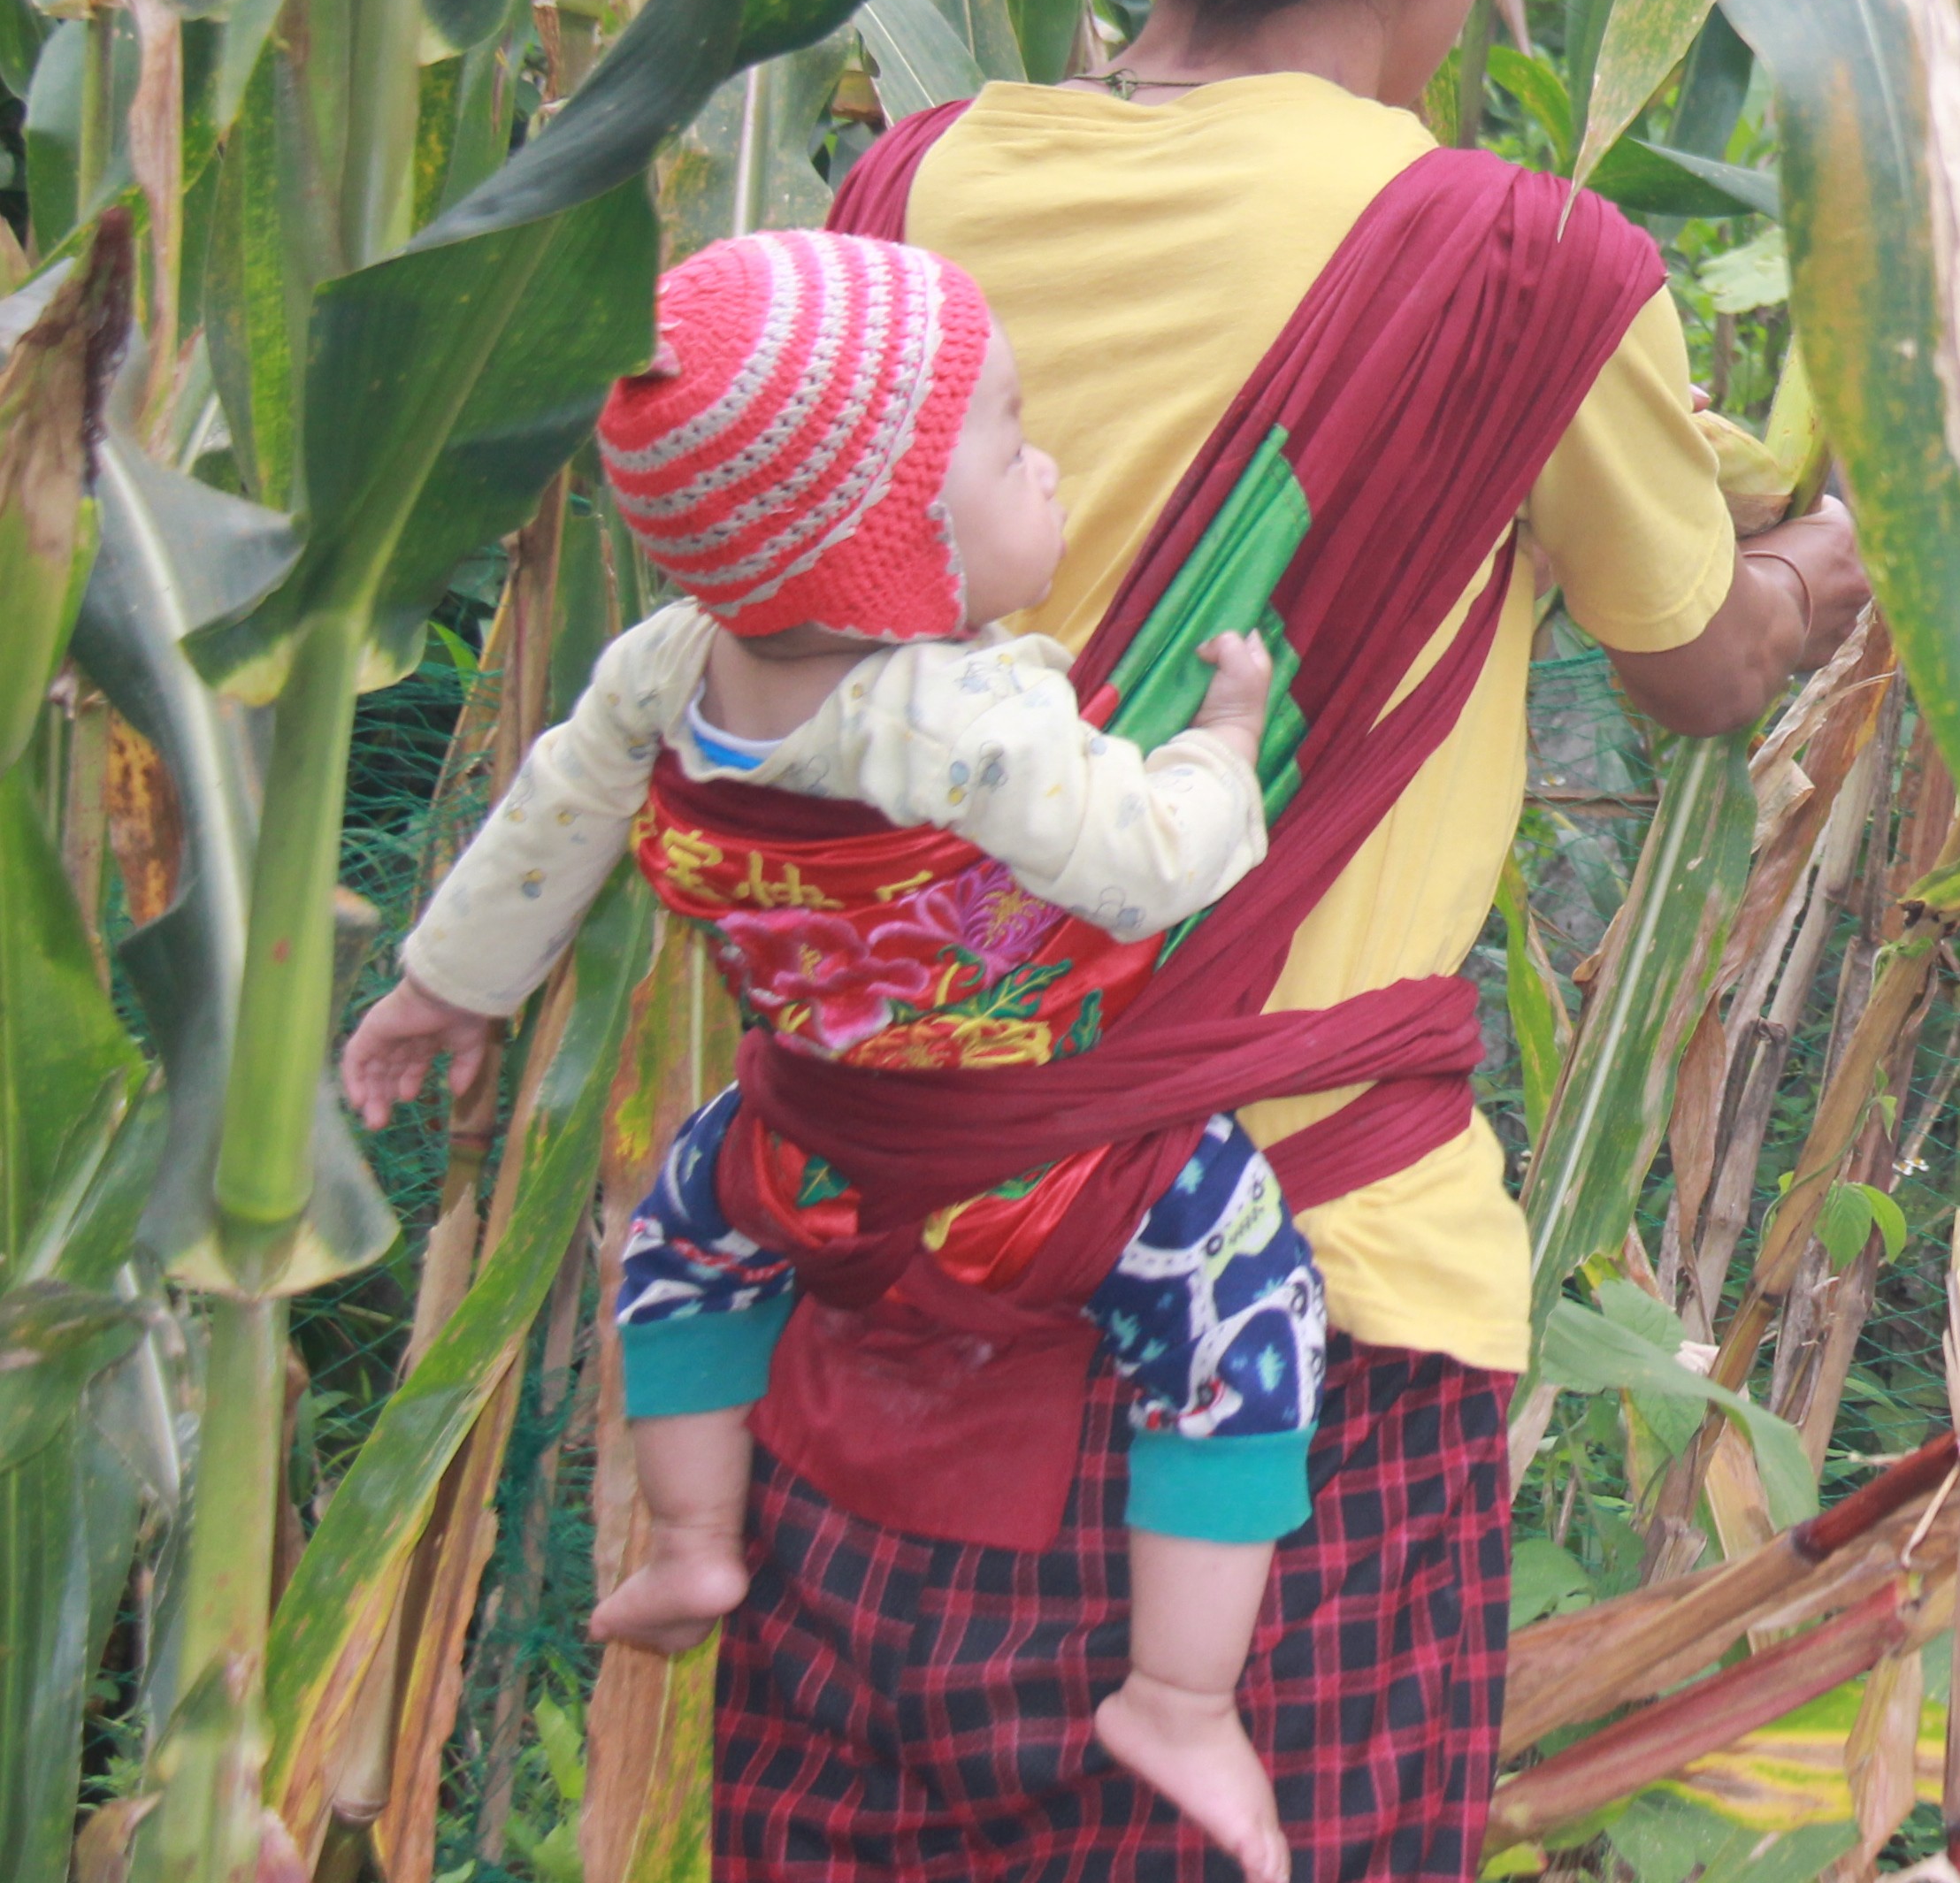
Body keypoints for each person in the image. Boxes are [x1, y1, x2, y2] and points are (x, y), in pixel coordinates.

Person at [555, 0, 1855, 1881]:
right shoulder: (1518, 270)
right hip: (1292, 1344)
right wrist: (1853, 557)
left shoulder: (908, 201)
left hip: (880, 1298)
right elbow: (1705, 666)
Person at [343, 229, 1317, 1879]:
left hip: (797, 1142)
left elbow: (554, 823)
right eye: (1011, 448)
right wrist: (1224, 743)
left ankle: (697, 1536)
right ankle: (1178, 1691)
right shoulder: (958, 723)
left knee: (678, 1249)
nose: (1049, 465)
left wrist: (448, 986)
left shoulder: (669, 671)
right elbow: (1149, 865)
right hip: (1043, 1158)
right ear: (891, 556)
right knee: (1242, 1316)